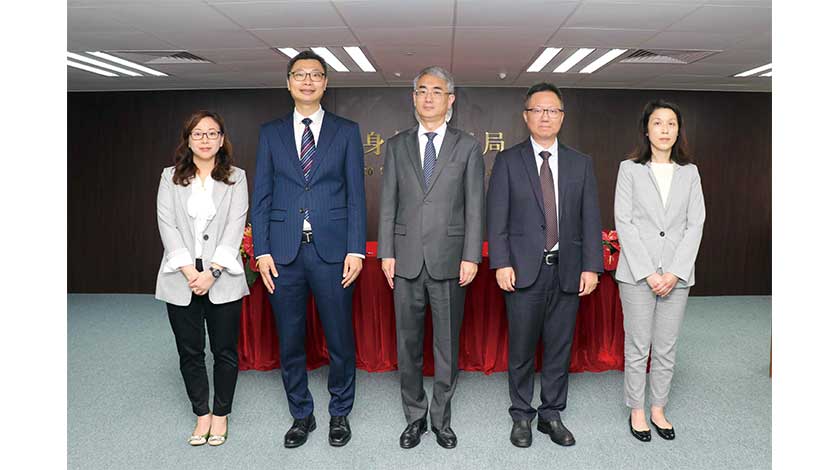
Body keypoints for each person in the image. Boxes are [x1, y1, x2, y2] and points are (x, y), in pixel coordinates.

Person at [251, 50, 366, 448]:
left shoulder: (346, 131)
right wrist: (261, 251)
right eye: (299, 75)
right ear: (288, 83)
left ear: (325, 83)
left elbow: (356, 195)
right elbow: (262, 195)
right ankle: (301, 414)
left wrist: (356, 249)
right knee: (290, 339)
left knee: (339, 338)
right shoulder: (270, 133)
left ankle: (340, 412)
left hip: (333, 252)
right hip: (283, 254)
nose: (307, 81)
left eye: (315, 75)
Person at [486, 82, 603, 448]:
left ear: (562, 117)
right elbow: (496, 218)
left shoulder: (581, 163)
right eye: (537, 110)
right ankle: (521, 414)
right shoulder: (508, 161)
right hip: (523, 270)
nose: (545, 116)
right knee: (521, 348)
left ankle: (551, 414)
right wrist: (501, 262)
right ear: (526, 117)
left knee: (558, 347)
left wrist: (591, 266)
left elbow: (590, 219)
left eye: (552, 110)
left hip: (567, 269)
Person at [377, 66, 485, 450]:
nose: (428, 97)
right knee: (407, 344)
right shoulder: (396, 145)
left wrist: (471, 255)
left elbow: (475, 206)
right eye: (422, 90)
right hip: (404, 260)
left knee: (446, 345)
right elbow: (388, 204)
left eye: (437, 91)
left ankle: (441, 419)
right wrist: (386, 252)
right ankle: (414, 416)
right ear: (413, 97)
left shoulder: (467, 146)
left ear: (450, 99)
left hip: (450, 260)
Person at [155, 110, 249, 447]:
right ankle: (202, 413)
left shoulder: (236, 177)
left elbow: (235, 227)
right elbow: (167, 225)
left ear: (222, 140)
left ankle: (221, 413)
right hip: (181, 275)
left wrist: (212, 273)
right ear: (188, 140)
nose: (205, 139)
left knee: (225, 350)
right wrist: (189, 271)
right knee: (190, 351)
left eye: (212, 133)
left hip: (221, 276)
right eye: (198, 133)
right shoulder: (170, 177)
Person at [614, 99, 705, 442]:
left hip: (676, 276)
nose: (664, 129)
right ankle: (637, 409)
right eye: (657, 123)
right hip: (637, 274)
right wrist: (649, 272)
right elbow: (624, 222)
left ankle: (658, 408)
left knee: (666, 346)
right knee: (638, 345)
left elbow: (696, 224)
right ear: (646, 129)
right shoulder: (629, 169)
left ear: (678, 131)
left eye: (671, 124)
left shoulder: (690, 172)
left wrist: (676, 272)